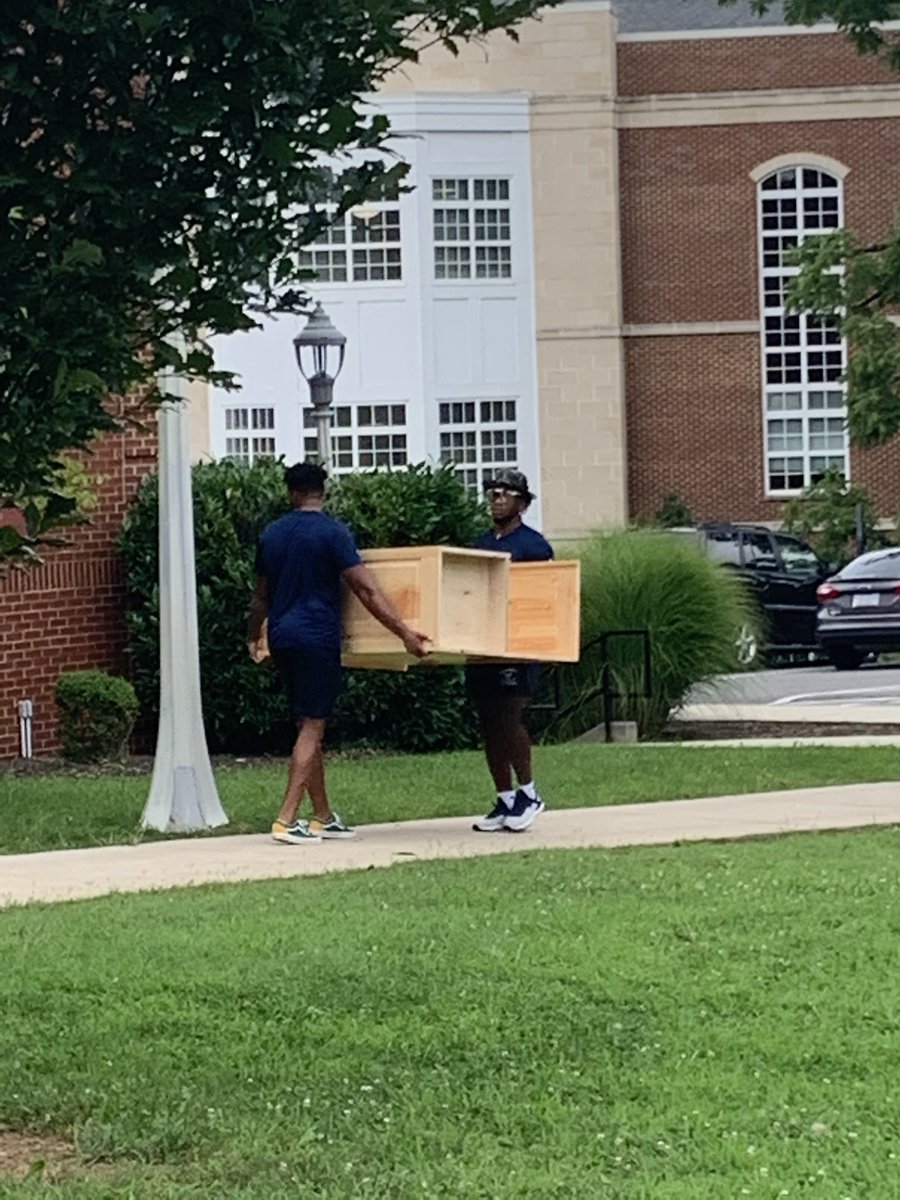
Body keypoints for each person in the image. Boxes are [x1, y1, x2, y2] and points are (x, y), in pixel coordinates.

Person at [248, 461, 430, 844]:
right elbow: (366, 589)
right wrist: (405, 633)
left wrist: (254, 637)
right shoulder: (334, 533)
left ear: (291, 492)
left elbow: (260, 597)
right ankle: (286, 818)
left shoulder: (272, 535)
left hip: (282, 635)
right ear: (322, 492)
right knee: (314, 724)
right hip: (317, 636)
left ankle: (323, 815)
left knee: (306, 726)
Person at [466, 468, 553, 834]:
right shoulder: (480, 544)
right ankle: (504, 798)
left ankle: (529, 793)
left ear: (522, 502)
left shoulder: (534, 546)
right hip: (482, 644)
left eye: (505, 494)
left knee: (509, 716)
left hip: (517, 644)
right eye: (493, 494)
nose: (497, 499)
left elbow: (547, 594)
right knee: (488, 720)